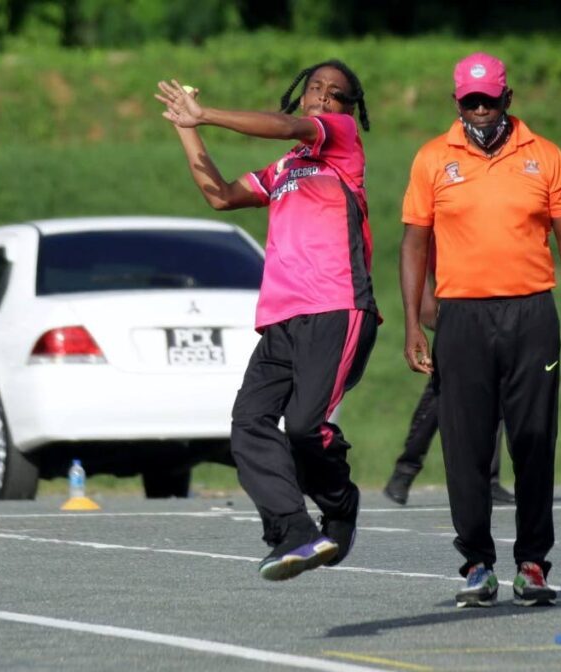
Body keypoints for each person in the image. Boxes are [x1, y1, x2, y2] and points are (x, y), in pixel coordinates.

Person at [154, 60, 378, 581]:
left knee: (304, 427)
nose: (323, 98)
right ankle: (294, 532)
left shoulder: (340, 141)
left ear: (348, 109)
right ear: (301, 94)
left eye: (336, 93)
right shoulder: (285, 170)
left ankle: (340, 508)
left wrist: (205, 113)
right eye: (315, 89)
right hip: (281, 318)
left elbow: (289, 126)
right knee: (248, 425)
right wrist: (188, 130)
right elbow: (220, 195)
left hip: (336, 307)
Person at [400, 52, 561, 608]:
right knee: (465, 444)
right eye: (471, 100)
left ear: (508, 99)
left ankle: (533, 563)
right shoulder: (433, 159)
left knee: (534, 440)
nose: (481, 109)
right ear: (457, 102)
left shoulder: (545, 156)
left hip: (532, 314)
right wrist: (416, 320)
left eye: (490, 99)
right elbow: (415, 242)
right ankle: (476, 565)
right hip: (461, 317)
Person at [384, 268, 515, 506]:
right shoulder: (437, 233)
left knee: (494, 389)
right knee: (440, 392)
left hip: (488, 310)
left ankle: (490, 479)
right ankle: (405, 470)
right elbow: (419, 258)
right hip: (454, 311)